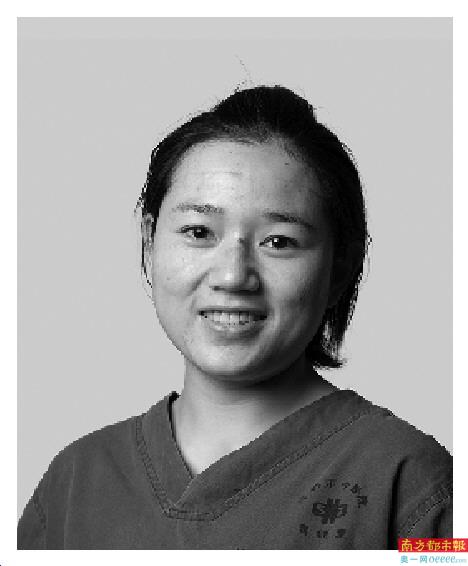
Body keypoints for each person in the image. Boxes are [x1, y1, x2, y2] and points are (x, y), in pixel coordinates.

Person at [18, 85, 452, 550]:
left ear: (339, 266)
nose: (232, 276)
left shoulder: (413, 483)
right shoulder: (74, 481)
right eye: (198, 232)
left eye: (279, 242)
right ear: (149, 244)